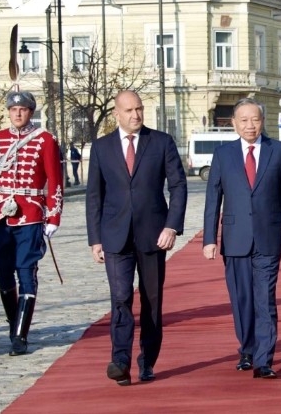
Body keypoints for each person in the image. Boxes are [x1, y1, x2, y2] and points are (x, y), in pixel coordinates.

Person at [86, 90, 187, 386]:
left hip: (154, 236)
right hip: (114, 237)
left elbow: (178, 187)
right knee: (120, 298)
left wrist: (171, 227)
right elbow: (94, 196)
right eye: (129, 110)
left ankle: (147, 361)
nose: (136, 115)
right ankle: (120, 360)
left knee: (152, 302)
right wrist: (95, 239)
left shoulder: (161, 142)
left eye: (139, 109)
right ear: (116, 113)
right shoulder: (102, 148)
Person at [202, 97, 281, 380]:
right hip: (234, 240)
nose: (249, 125)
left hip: (269, 238)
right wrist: (210, 239)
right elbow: (213, 201)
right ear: (234, 124)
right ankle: (246, 349)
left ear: (262, 121)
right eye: (243, 120)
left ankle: (264, 360)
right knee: (241, 299)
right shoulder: (223, 155)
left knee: (265, 300)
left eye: (254, 119)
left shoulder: (278, 151)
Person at [0, 91, 63, 356]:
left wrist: (54, 215)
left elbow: (54, 178)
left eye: (23, 109)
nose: (18, 114)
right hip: (0, 214)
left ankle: (19, 336)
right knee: (4, 272)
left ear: (31, 112)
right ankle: (15, 323)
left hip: (31, 214)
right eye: (13, 109)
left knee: (26, 271)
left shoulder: (45, 140)